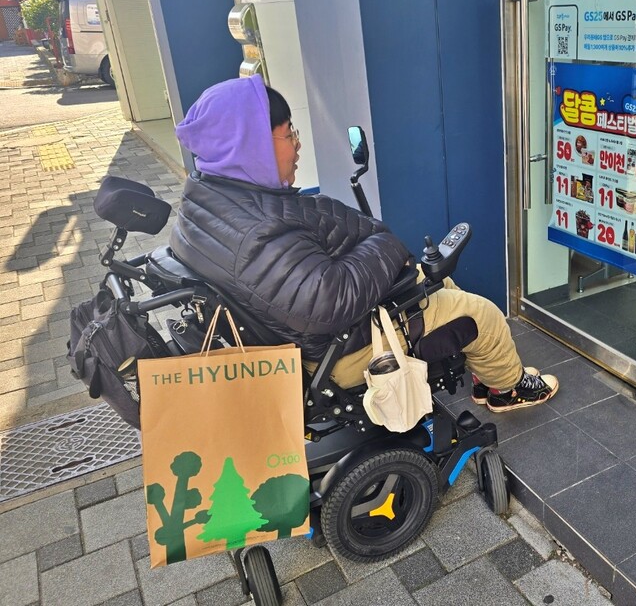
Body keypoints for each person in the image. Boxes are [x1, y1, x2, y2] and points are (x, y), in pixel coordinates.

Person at [170, 75, 558, 413]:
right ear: (250, 145)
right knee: (483, 315)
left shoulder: (206, 199)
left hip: (312, 334)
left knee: (437, 282)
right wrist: (385, 244)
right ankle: (507, 390)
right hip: (339, 351)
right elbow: (328, 302)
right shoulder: (257, 231)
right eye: (289, 134)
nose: (298, 145)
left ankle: (489, 370)